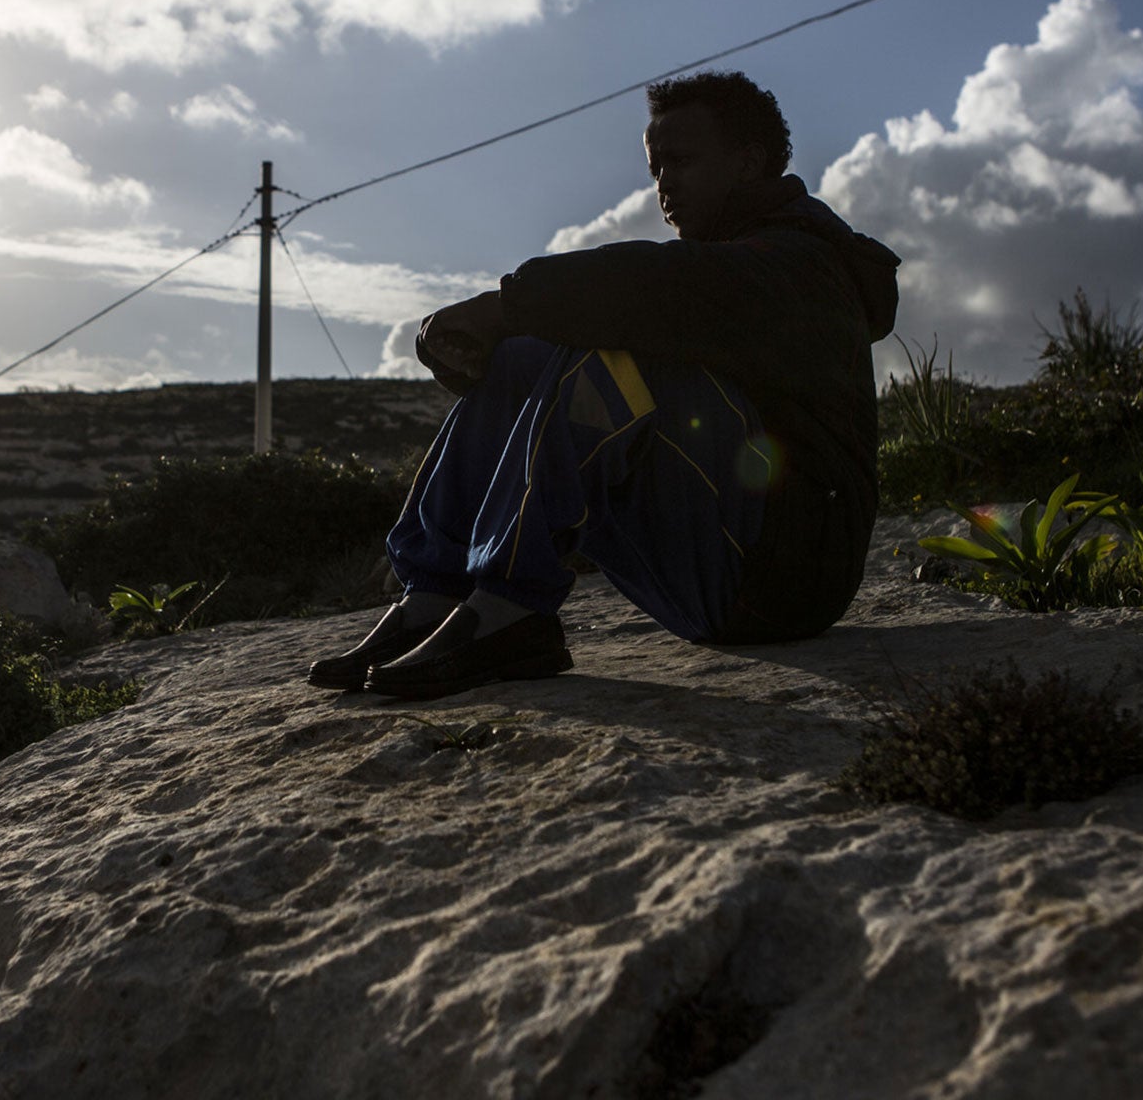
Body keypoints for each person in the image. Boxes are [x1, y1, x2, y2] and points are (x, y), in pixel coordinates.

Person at [310, 71, 899, 699]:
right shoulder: (738, 265)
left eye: (681, 160)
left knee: (614, 354)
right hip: (720, 558)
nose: (663, 184)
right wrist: (496, 352)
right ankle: (434, 595)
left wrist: (502, 306)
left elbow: (656, 285)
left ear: (748, 163)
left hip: (787, 579)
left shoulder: (798, 265)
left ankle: (513, 613)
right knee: (522, 360)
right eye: (655, 168)